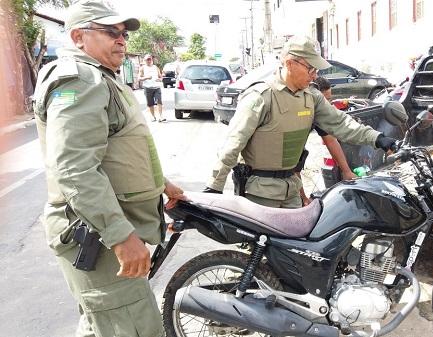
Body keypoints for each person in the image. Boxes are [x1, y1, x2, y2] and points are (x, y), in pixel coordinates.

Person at [31, 1, 185, 336]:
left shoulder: (100, 78)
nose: (122, 40)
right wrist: (120, 236)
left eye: (123, 33)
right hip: (95, 235)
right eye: (110, 32)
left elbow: (118, 150)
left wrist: (162, 183)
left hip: (100, 228)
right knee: (133, 328)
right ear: (78, 37)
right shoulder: (81, 80)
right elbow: (74, 168)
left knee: (104, 325)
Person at [204, 36, 397, 208]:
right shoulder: (261, 97)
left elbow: (341, 123)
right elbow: (233, 142)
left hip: (292, 190)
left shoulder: (312, 96)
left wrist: (379, 138)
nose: (315, 75)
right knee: (261, 247)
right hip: (261, 193)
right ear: (289, 63)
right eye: (310, 69)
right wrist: (215, 186)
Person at [297, 76, 357, 206]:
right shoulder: (300, 111)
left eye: (330, 99)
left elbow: (331, 141)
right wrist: (303, 198)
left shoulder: (319, 114)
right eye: (325, 99)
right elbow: (291, 165)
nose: (328, 104)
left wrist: (346, 171)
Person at [138, 53, 165, 122]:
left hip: (156, 87)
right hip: (148, 88)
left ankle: (160, 116)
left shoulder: (155, 67)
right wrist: (146, 77)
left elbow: (160, 76)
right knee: (150, 103)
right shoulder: (142, 68)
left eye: (150, 59)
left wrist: (160, 79)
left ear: (152, 60)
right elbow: (139, 78)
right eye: (147, 59)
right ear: (145, 60)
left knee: (159, 101)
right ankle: (153, 116)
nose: (149, 60)